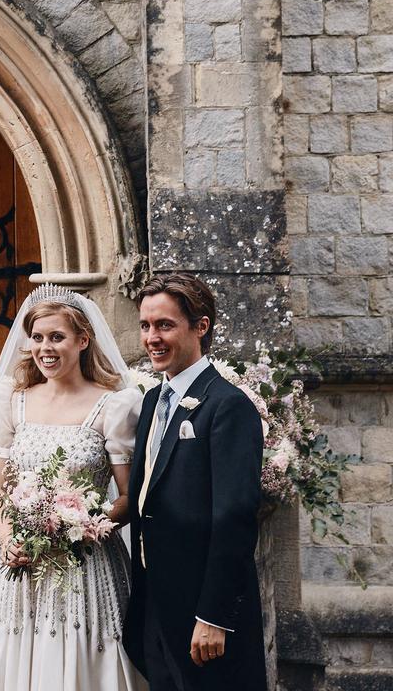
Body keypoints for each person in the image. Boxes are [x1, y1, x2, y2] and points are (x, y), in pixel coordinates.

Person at [0, 284, 146, 691]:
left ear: (83, 340)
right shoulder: (12, 401)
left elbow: (129, 498)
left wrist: (80, 526)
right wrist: (8, 539)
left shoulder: (114, 406)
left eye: (57, 337)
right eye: (38, 337)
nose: (45, 348)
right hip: (25, 569)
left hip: (86, 566)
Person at [124, 273, 267, 691]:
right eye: (146, 325)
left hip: (204, 615)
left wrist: (214, 616)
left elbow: (234, 518)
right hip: (155, 604)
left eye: (164, 325)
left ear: (200, 327)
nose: (152, 338)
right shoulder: (153, 400)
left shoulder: (228, 406)